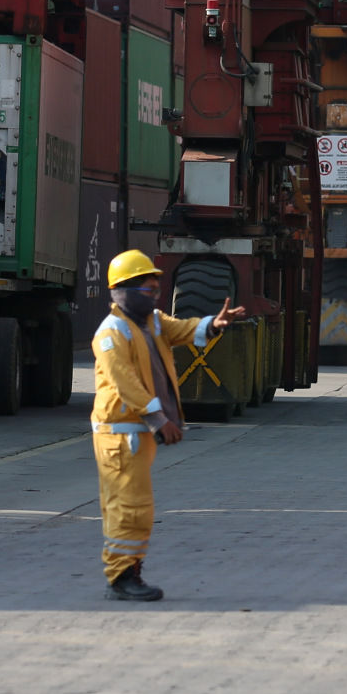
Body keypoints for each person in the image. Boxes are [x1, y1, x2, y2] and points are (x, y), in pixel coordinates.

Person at [91, 249, 247, 601]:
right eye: (148, 289)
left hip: (137, 434)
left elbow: (183, 329)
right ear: (123, 290)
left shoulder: (151, 322)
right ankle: (120, 576)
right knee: (127, 507)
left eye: (156, 289)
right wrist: (159, 419)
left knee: (139, 507)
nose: (154, 295)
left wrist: (213, 324)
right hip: (119, 435)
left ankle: (131, 569)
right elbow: (124, 382)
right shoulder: (112, 333)